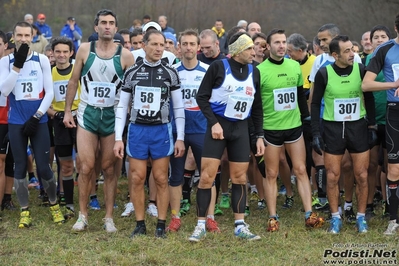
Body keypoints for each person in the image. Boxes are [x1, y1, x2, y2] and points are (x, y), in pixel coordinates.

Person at [63, 9, 134, 233]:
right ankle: (83, 215)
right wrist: (67, 111)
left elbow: (131, 90)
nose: (107, 26)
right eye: (103, 22)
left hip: (113, 116)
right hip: (88, 114)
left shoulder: (125, 56)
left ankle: (109, 217)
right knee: (85, 166)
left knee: (109, 169)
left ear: (115, 28)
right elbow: (73, 81)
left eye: (111, 23)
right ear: (96, 27)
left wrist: (129, 115)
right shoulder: (85, 49)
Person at [189, 32, 264, 242]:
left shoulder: (254, 71)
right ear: (238, 50)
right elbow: (201, 97)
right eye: (249, 48)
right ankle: (200, 224)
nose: (254, 52)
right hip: (218, 127)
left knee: (240, 178)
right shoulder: (219, 67)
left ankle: (240, 225)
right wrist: (213, 123)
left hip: (240, 128)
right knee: (206, 177)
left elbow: (257, 108)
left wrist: (259, 136)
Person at [114, 29, 185, 238]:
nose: (158, 49)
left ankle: (161, 224)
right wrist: (118, 138)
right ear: (143, 45)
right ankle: (140, 223)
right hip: (137, 129)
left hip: (161, 130)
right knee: (136, 178)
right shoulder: (132, 72)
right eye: (154, 44)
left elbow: (179, 108)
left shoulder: (171, 72)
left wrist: (180, 137)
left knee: (161, 178)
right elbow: (122, 107)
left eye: (162, 45)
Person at [257, 29, 324, 232]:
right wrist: (258, 132)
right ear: (268, 46)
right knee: (271, 172)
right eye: (276, 42)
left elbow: (299, 99)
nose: (281, 45)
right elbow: (257, 105)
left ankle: (309, 213)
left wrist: (308, 124)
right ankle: (272, 217)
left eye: (283, 41)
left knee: (301, 169)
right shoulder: (259, 70)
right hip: (271, 129)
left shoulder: (294, 66)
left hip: (294, 127)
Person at [0, 21, 64, 227]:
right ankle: (24, 210)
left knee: (44, 168)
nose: (23, 39)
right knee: (19, 168)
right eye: (19, 36)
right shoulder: (6, 62)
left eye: (27, 36)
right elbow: (5, 91)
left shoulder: (42, 59)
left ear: (33, 36)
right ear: (14, 38)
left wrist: (37, 116)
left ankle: (54, 205)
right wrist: (17, 67)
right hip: (16, 121)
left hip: (39, 119)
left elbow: (50, 92)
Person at [312, 35, 376, 234]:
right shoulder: (324, 73)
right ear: (334, 55)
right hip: (333, 128)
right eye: (347, 51)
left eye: (352, 49)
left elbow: (369, 98)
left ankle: (361, 217)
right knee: (332, 176)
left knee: (362, 175)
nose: (352, 53)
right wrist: (315, 132)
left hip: (357, 127)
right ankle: (335, 217)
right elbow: (314, 104)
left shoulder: (361, 69)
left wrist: (372, 126)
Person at [166, 29, 209, 232]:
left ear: (198, 47)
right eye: (185, 44)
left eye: (192, 44)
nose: (189, 47)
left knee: (207, 175)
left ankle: (209, 217)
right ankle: (175, 218)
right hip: (177, 132)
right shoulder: (172, 71)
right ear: (179, 47)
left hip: (202, 130)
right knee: (175, 176)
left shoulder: (208, 70)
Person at [362, 13, 399, 235]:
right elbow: (366, 84)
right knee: (393, 167)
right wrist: (393, 83)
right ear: (396, 28)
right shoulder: (384, 50)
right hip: (394, 112)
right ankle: (393, 220)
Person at [48, 37, 81, 220]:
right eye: (58, 52)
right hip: (59, 122)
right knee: (66, 165)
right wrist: (57, 115)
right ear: (52, 53)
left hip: (80, 120)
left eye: (65, 52)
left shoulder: (78, 71)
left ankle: (86, 201)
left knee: (84, 164)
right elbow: (44, 102)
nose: (61, 55)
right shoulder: (49, 73)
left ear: (71, 53)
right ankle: (69, 204)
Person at [364, 25, 391, 220]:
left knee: (390, 166)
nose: (379, 39)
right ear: (370, 41)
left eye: (383, 36)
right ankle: (369, 204)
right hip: (371, 121)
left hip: (391, 119)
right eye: (376, 37)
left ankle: (389, 204)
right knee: (372, 165)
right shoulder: (365, 61)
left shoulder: (393, 58)